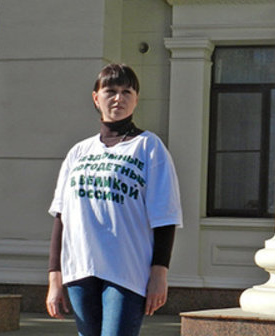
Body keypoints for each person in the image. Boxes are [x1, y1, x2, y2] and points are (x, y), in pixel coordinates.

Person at [45, 63, 183, 336]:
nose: (118, 98)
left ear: (136, 99)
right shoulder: (79, 152)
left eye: (126, 91)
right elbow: (61, 218)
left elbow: (165, 216)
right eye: (110, 91)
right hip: (80, 270)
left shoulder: (149, 147)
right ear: (96, 97)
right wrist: (55, 278)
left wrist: (159, 273)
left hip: (127, 272)